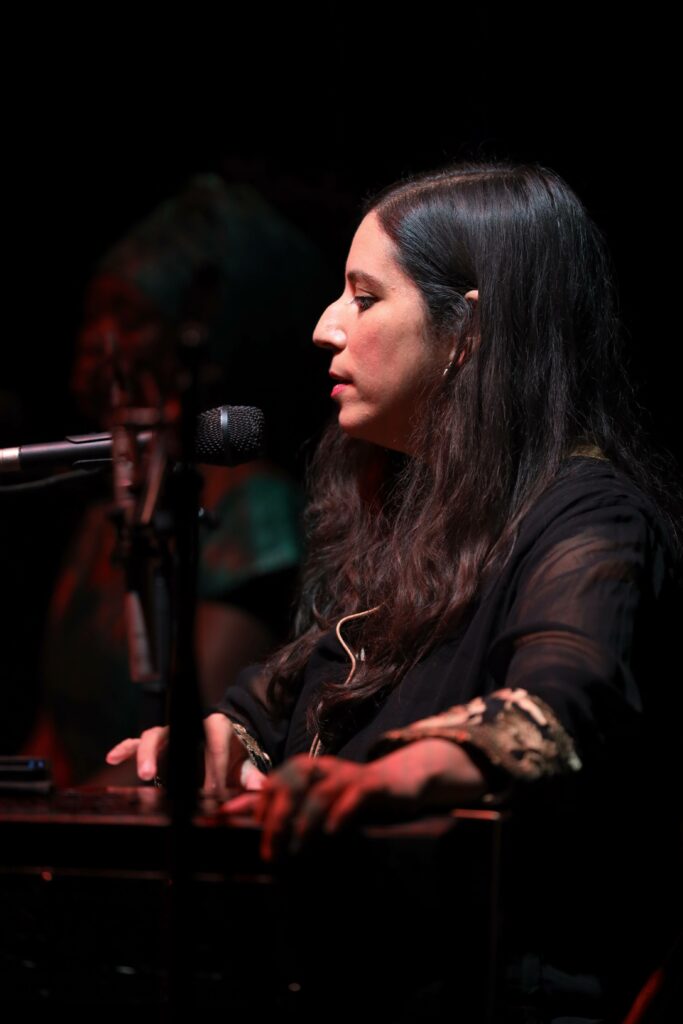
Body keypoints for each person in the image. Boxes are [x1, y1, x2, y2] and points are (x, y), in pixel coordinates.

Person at [106, 160, 683, 1021]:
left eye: (364, 298)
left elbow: (562, 700)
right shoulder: (407, 516)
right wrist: (223, 739)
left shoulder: (587, 513)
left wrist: (392, 775)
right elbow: (275, 705)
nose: (323, 327)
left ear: (468, 331)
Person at [26, 173, 333, 785]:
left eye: (129, 317)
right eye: (94, 314)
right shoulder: (104, 516)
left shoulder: (250, 508)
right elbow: (55, 734)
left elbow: (204, 732)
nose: (100, 344)